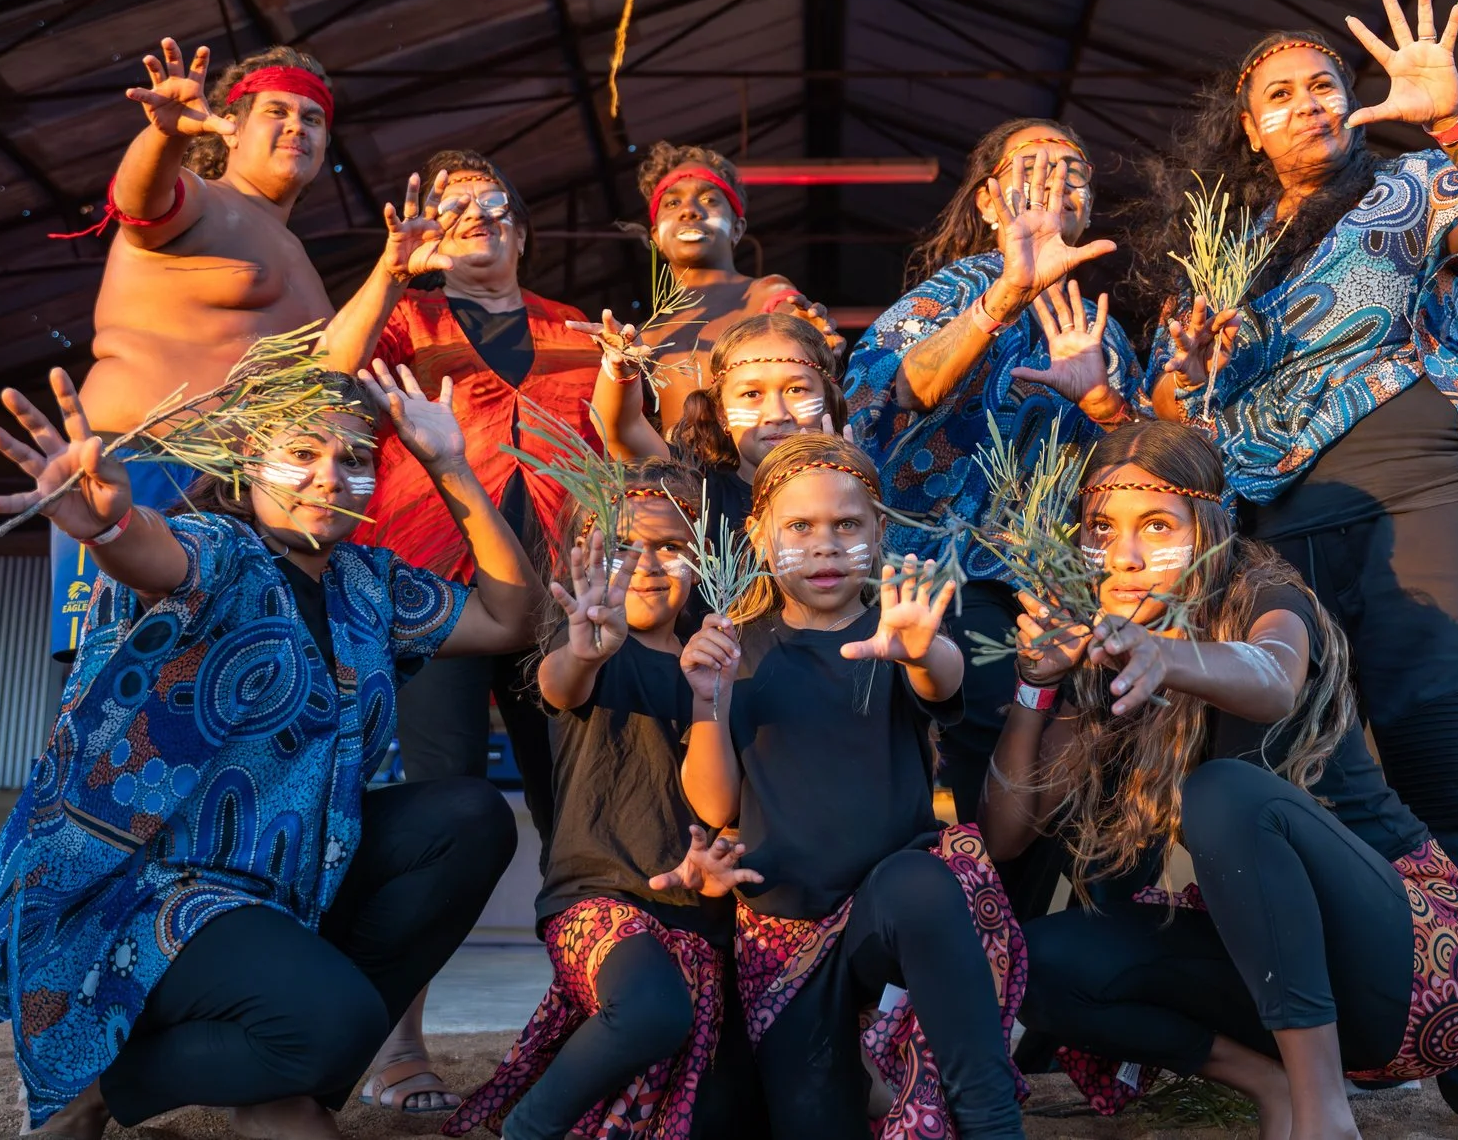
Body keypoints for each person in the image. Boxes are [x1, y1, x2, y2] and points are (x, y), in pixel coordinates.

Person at [0, 359, 535, 1140]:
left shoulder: (369, 585)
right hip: (164, 896)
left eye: (354, 459)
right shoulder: (219, 550)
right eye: (302, 451)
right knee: (335, 1021)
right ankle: (96, 1090)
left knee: (469, 816)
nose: (329, 476)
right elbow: (155, 554)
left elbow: (512, 618)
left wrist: (452, 467)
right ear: (246, 460)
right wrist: (109, 525)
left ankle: (280, 1069)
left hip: (295, 889)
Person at [1141, 0, 1458, 1140]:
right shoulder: (1218, 256)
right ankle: (1342, 1062)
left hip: (1418, 497)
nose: (1310, 102)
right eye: (1282, 93)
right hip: (1274, 532)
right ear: (1250, 122)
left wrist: (1454, 121)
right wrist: (1180, 365)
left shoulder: (1411, 183)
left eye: (1324, 82)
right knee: (1300, 791)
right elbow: (1180, 418)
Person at [982, 421, 1458, 1140]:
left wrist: (1167, 654)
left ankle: (1325, 1117)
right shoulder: (1107, 658)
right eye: (1103, 528)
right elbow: (1007, 835)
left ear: (1209, 529)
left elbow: (1274, 678)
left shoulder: (1262, 590)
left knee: (1223, 792)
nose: (1126, 555)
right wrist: (1036, 690)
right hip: (1280, 976)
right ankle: (1273, 1084)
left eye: (1157, 524)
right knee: (1033, 961)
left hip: (1423, 965)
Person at [678, 434, 1026, 1140]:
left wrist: (923, 649)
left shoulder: (900, 627)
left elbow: (944, 676)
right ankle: (877, 1077)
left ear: (880, 532)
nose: (825, 545)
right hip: (786, 941)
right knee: (810, 1120)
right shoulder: (733, 645)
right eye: (800, 526)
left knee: (920, 880)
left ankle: (992, 1119)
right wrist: (706, 702)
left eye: (847, 525)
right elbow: (714, 805)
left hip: (889, 916)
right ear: (757, 534)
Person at [50, 37, 445, 654]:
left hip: (246, 489)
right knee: (125, 689)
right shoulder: (199, 199)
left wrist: (391, 274)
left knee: (218, 687)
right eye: (278, 113)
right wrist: (163, 136)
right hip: (148, 463)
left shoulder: (295, 256)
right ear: (228, 129)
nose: (298, 127)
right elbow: (137, 203)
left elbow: (318, 373)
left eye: (312, 118)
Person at [355, 146, 605, 1111]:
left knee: (576, 815)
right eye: (454, 209)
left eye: (494, 206)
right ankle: (401, 1041)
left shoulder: (579, 332)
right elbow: (327, 387)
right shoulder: (396, 323)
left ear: (523, 228)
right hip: (434, 597)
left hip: (558, 603)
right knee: (438, 806)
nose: (477, 220)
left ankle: (588, 1020)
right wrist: (391, 271)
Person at [844, 119, 1142, 846]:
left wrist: (1108, 406)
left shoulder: (1104, 330)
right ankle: (985, 917)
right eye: (1030, 166)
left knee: (1069, 779)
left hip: (1061, 593)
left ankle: (1022, 926)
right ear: (987, 203)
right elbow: (886, 390)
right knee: (986, 764)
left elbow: (1139, 470)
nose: (1053, 181)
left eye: (1073, 170)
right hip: (952, 582)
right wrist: (1007, 292)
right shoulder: (957, 289)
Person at [445, 461, 762, 1140]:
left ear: (706, 557)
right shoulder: (591, 645)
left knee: (723, 1108)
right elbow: (561, 684)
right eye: (622, 546)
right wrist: (586, 649)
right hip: (598, 902)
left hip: (699, 919)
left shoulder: (721, 659)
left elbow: (721, 805)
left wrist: (714, 694)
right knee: (651, 1011)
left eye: (670, 546)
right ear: (587, 553)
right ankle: (528, 1129)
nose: (645, 564)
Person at [617, 143, 842, 423]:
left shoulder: (765, 294)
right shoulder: (644, 337)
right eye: (673, 203)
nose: (689, 210)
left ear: (737, 228)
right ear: (657, 237)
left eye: (709, 200)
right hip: (676, 467)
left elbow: (793, 320)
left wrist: (805, 334)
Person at [591, 310, 844, 546]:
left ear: (827, 402)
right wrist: (620, 369)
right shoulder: (696, 489)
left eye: (796, 390)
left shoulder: (856, 488)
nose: (777, 414)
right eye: (751, 393)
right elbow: (623, 428)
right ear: (722, 414)